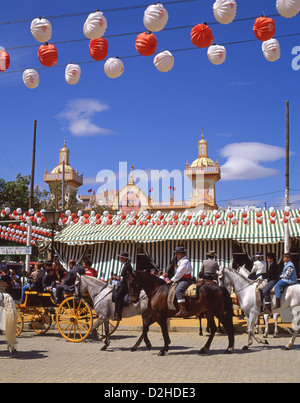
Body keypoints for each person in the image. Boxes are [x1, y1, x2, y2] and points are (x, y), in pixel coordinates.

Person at [167, 246, 192, 317]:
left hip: (185, 280)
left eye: (177, 253)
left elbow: (179, 273)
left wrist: (172, 280)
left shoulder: (185, 261)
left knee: (178, 290)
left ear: (181, 254)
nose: (176, 255)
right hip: (181, 279)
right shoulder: (181, 261)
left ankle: (182, 309)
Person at [114, 252, 133, 321]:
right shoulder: (123, 265)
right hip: (120, 283)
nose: (120, 259)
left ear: (124, 259)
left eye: (121, 257)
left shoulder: (128, 266)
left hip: (125, 285)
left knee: (117, 296)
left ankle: (118, 314)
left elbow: (129, 277)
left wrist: (121, 278)